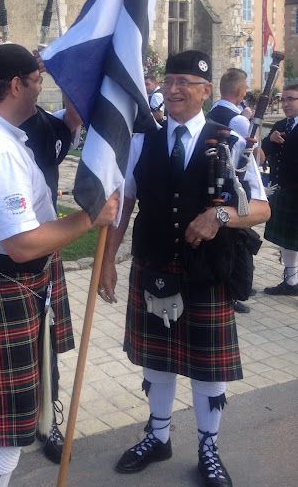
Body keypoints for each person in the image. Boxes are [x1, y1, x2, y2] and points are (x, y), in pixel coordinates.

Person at [0, 42, 118, 485]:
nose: (41, 90)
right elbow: (22, 244)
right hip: (2, 288)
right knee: (4, 431)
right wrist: (89, 218)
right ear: (16, 85)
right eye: (37, 82)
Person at [99, 50, 269, 487]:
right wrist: (106, 264)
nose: (174, 90)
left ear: (206, 91)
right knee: (156, 361)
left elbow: (261, 208)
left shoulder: (230, 142)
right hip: (153, 265)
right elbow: (125, 205)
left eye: (185, 83)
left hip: (206, 272)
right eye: (169, 80)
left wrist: (219, 217)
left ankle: (208, 448)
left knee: (207, 367)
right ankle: (158, 437)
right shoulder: (143, 141)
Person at [206, 68, 253, 314]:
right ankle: (233, 289)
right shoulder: (240, 120)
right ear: (240, 91)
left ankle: (229, 284)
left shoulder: (213, 111)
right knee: (235, 242)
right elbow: (255, 157)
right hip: (235, 187)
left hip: (216, 183)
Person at [261, 83, 298, 296]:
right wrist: (269, 140)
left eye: (291, 99)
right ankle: (291, 281)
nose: (285, 104)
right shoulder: (281, 125)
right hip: (283, 190)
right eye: (283, 99)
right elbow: (261, 152)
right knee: (288, 241)